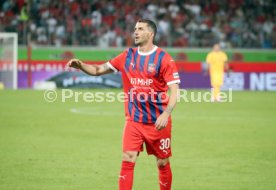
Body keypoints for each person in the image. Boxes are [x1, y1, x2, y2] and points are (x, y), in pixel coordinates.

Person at [67, 19, 180, 190]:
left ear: (151, 34)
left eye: (140, 29)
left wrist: (166, 113)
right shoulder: (127, 56)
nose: (135, 32)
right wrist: (81, 65)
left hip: (158, 122)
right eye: (135, 29)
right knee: (128, 157)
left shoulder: (164, 59)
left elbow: (175, 90)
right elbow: (98, 70)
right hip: (133, 120)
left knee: (162, 162)